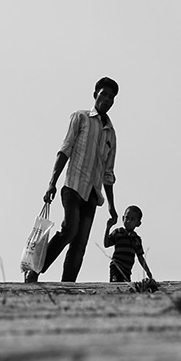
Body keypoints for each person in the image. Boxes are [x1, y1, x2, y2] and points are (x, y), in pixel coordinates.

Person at [25, 77, 119, 283]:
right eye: (103, 94)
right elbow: (65, 149)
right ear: (95, 94)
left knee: (80, 243)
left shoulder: (111, 134)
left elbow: (108, 174)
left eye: (111, 97)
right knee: (69, 230)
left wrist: (112, 206)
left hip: (93, 194)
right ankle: (34, 272)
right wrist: (52, 182)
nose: (107, 99)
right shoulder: (81, 118)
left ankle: (68, 285)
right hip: (73, 186)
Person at [104, 205, 153, 283]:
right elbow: (106, 244)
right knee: (115, 284)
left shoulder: (136, 239)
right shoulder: (118, 232)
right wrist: (107, 228)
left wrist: (147, 271)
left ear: (138, 223)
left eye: (132, 219)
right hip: (116, 266)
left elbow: (140, 257)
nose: (128, 221)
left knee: (125, 287)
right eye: (127, 218)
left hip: (127, 270)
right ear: (123, 218)